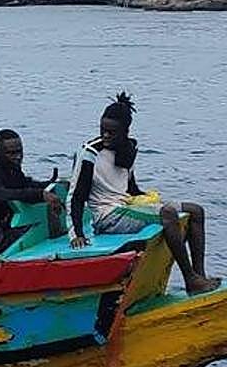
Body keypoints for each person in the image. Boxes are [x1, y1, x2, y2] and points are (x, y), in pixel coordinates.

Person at [69, 93, 219, 294]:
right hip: (107, 216)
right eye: (103, 130)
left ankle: (199, 275)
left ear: (125, 132)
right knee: (168, 214)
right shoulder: (90, 153)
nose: (105, 136)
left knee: (196, 210)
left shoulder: (129, 148)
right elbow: (76, 196)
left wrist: (148, 198)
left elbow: (130, 187)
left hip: (127, 207)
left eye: (112, 132)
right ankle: (190, 279)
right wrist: (76, 233)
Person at [0, 129, 63, 254]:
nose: (18, 157)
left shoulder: (12, 167)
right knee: (36, 231)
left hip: (6, 226)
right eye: (11, 153)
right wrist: (39, 194)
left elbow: (23, 184)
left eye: (20, 152)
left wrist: (50, 186)